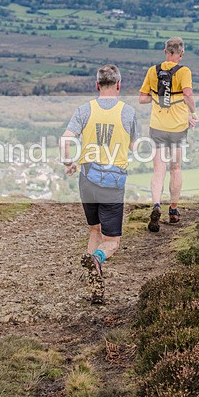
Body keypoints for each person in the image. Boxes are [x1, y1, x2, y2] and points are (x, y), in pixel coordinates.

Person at [61, 64, 138, 304]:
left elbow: (66, 138)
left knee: (94, 230)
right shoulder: (128, 112)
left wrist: (69, 162)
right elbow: (134, 146)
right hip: (113, 182)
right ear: (118, 85)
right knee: (112, 241)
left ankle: (93, 282)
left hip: (87, 179)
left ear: (96, 85)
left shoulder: (84, 110)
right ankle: (98, 258)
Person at [139, 37, 198, 233]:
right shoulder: (184, 71)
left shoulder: (152, 71)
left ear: (165, 52)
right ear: (181, 54)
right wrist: (193, 113)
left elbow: (142, 99)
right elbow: (188, 94)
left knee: (158, 170)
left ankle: (156, 204)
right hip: (178, 128)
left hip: (157, 126)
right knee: (176, 168)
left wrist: (158, 97)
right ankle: (173, 210)